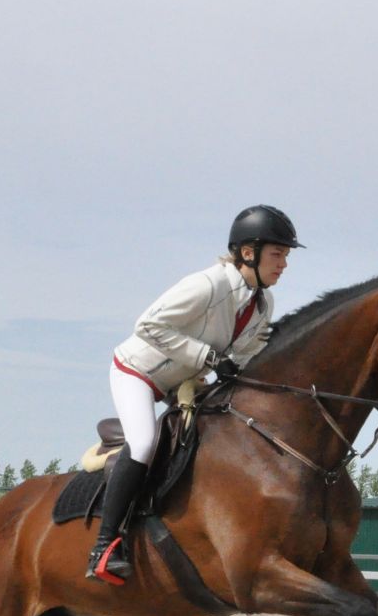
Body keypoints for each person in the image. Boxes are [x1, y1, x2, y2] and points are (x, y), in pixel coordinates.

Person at [90, 205, 301, 583]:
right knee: (143, 443)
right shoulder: (209, 285)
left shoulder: (262, 303)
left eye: (285, 256)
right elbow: (148, 325)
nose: (284, 264)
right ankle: (105, 546)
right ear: (248, 253)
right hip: (137, 372)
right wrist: (208, 357)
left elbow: (248, 352)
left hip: (183, 381)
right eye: (278, 254)